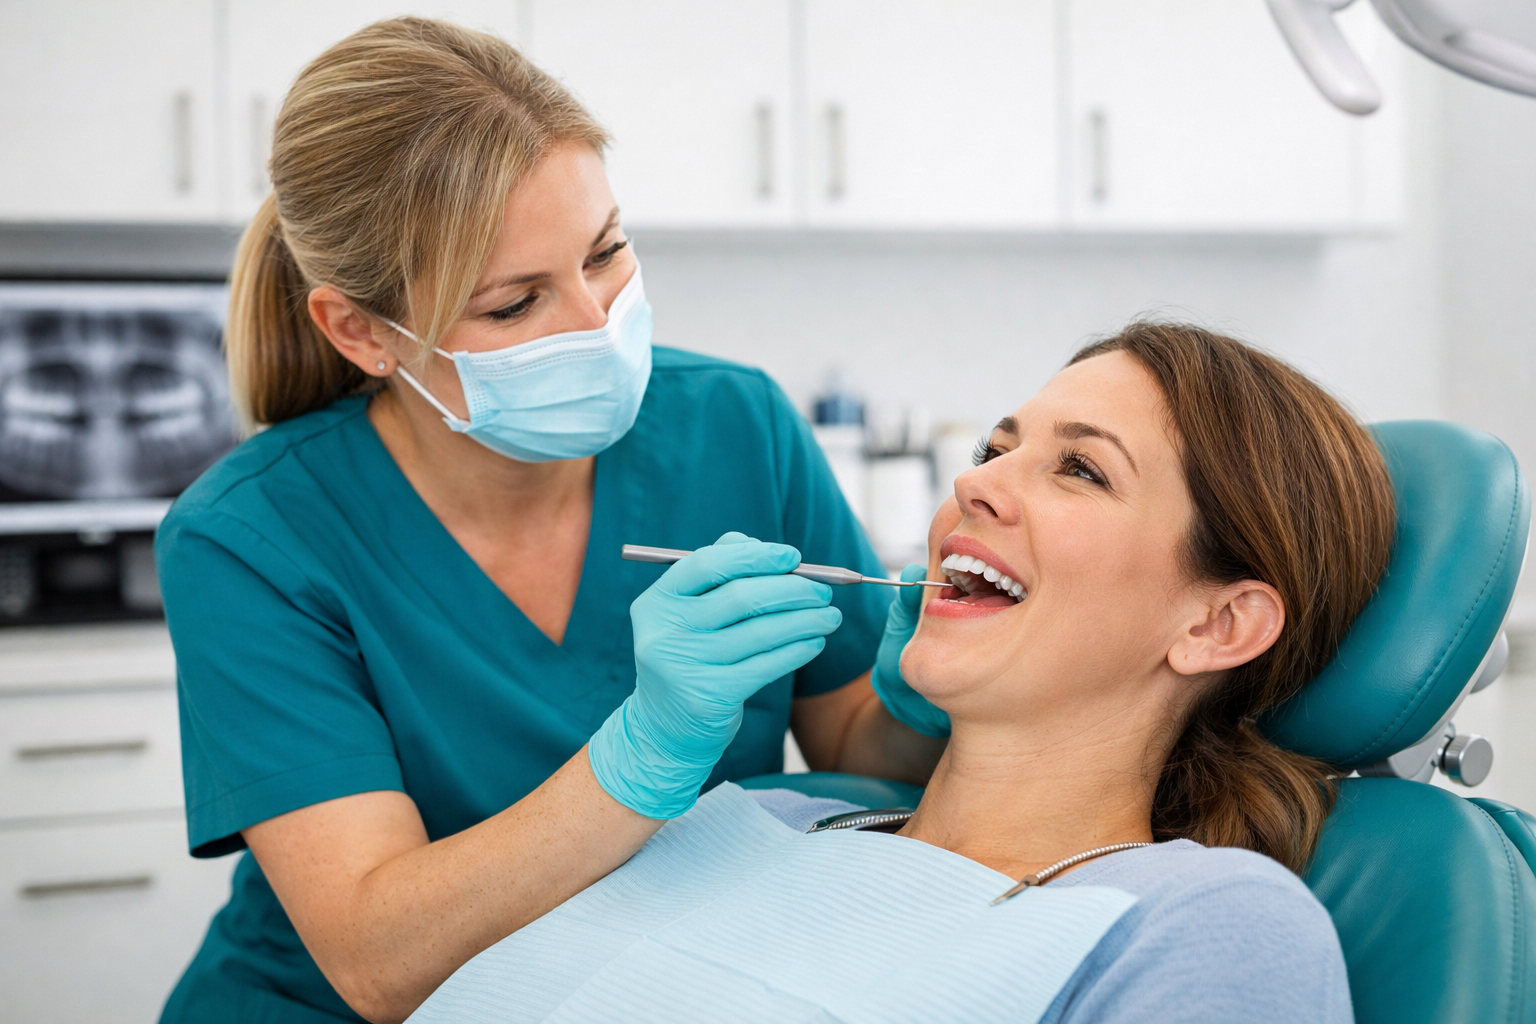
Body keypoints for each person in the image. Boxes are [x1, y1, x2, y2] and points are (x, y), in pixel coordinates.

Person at [154, 19, 943, 1024]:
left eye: (606, 253)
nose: (595, 325)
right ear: (360, 331)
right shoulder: (251, 539)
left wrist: (921, 691)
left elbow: (867, 768)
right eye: (515, 303)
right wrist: (641, 755)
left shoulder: (734, 424)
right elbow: (375, 960)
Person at [414, 321, 1394, 1023]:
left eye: (1080, 469)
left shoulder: (1213, 923)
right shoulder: (760, 813)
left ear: (1220, 623)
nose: (974, 482)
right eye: (993, 448)